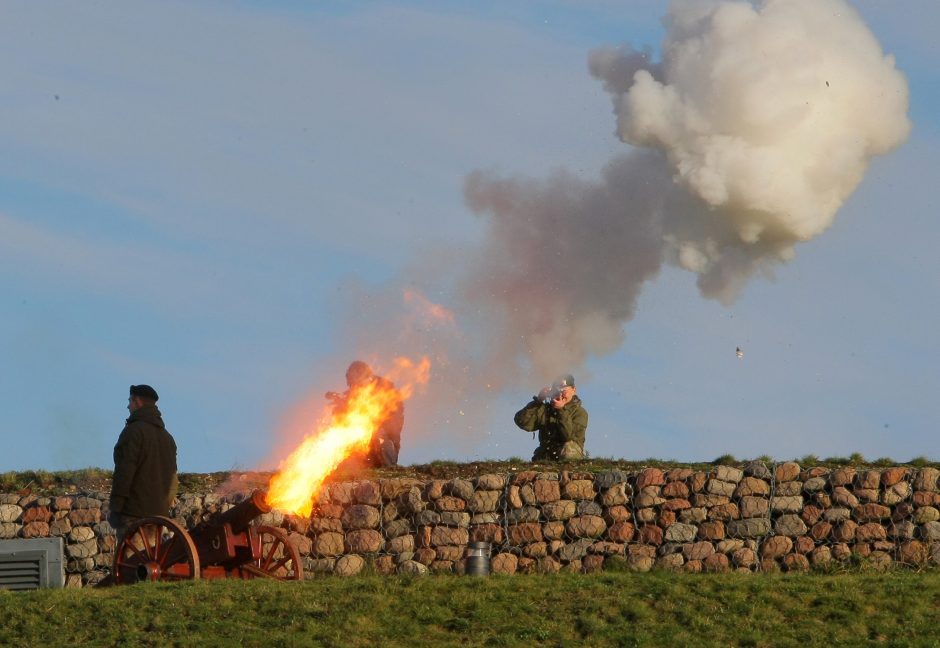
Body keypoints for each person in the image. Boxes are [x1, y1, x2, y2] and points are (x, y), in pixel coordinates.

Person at [109, 384, 178, 547]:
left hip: (133, 514)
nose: (128, 406)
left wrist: (116, 507)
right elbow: (173, 479)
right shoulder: (168, 438)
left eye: (130, 401)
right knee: (153, 563)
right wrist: (164, 506)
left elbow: (124, 473)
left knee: (131, 565)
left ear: (138, 402)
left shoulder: (133, 432)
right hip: (159, 516)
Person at [325, 361, 404, 467]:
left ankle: (385, 467)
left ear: (366, 378)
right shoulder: (351, 395)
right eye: (351, 385)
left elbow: (392, 425)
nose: (354, 388)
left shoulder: (386, 391)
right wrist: (341, 404)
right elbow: (343, 418)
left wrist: (367, 418)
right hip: (360, 454)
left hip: (384, 448)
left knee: (377, 433)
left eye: (356, 384)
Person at [514, 374, 588, 461]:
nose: (560, 394)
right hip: (547, 453)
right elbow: (522, 422)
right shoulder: (546, 409)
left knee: (568, 448)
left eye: (563, 390)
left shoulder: (580, 413)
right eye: (557, 390)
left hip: (569, 454)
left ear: (573, 390)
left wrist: (560, 410)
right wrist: (538, 401)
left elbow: (567, 436)